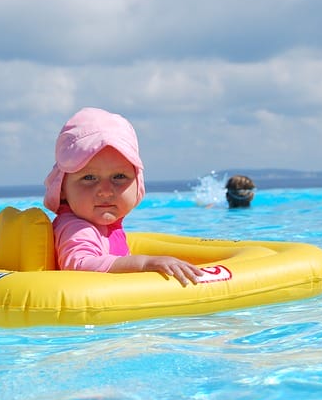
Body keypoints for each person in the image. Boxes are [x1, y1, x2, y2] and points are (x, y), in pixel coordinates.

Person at [44, 107, 204, 286]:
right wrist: (144, 264)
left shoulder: (100, 225)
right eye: (88, 178)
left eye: (119, 177)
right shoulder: (77, 228)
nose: (105, 190)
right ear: (62, 188)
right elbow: (80, 265)